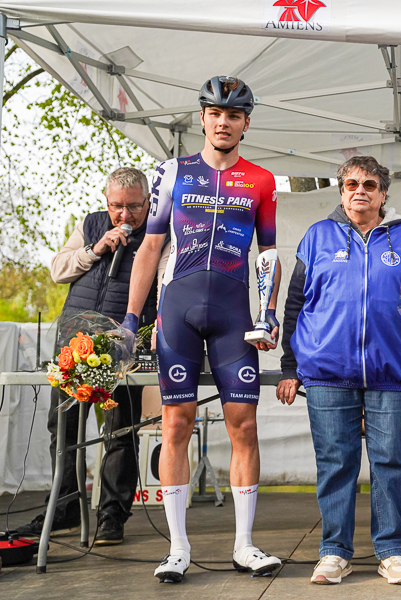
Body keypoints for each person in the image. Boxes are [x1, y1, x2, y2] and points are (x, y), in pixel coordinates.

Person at [124, 76, 282, 583]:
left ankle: (244, 545)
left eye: (233, 115)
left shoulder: (261, 180)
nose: (223, 122)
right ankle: (177, 548)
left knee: (244, 426)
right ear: (203, 118)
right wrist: (132, 319)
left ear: (245, 124)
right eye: (215, 113)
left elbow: (269, 254)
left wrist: (269, 312)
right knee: (176, 424)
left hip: (236, 313)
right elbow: (150, 247)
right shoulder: (172, 172)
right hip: (179, 310)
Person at [276, 156, 401, 586]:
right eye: (351, 184)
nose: (359, 191)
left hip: (394, 370)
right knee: (336, 462)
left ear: (384, 193)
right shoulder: (317, 236)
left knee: (391, 461)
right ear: (341, 190)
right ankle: (334, 552)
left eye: (369, 184)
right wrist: (290, 365)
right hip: (328, 370)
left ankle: (393, 551)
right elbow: (295, 305)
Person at [15, 167, 164, 546]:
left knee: (120, 428)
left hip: (122, 342)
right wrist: (96, 249)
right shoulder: (92, 225)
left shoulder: (160, 232)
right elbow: (58, 270)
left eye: (134, 207)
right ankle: (63, 505)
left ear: (148, 202)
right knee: (62, 426)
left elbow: (164, 286)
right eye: (117, 207)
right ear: (105, 201)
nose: (125, 216)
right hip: (74, 340)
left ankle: (112, 514)